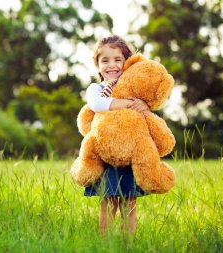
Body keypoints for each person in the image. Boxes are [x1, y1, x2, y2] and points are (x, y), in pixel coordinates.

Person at [84, 35, 150, 235]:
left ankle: (127, 244)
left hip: (130, 155)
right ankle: (105, 243)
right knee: (108, 201)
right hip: (106, 156)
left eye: (117, 60)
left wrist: (144, 105)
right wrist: (125, 103)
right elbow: (96, 105)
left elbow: (146, 117)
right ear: (97, 65)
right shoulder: (96, 89)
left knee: (129, 203)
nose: (111, 65)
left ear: (126, 63)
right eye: (105, 60)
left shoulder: (134, 91)